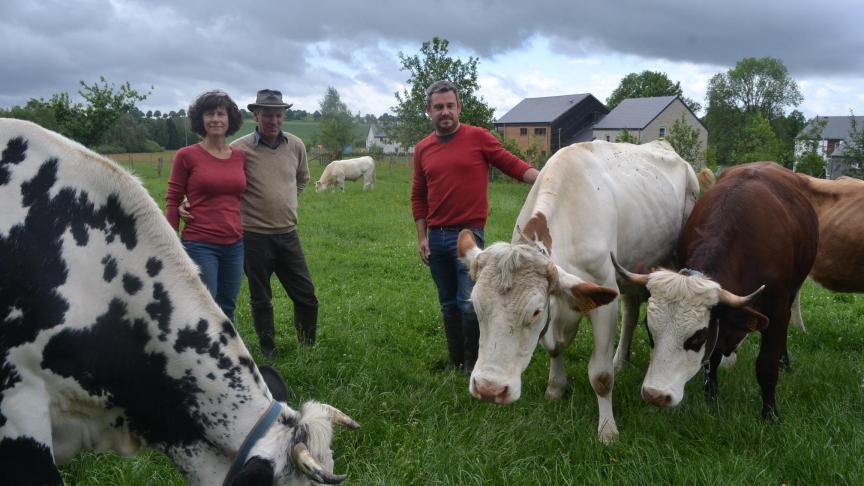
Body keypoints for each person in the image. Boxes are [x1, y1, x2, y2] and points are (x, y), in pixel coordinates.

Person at [411, 80, 539, 374]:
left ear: (459, 107)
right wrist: (422, 237)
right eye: (439, 107)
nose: (445, 112)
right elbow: (418, 195)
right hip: (436, 237)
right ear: (428, 111)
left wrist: (546, 177)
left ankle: (474, 363)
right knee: (447, 304)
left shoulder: (478, 138)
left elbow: (512, 165)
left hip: (468, 236)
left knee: (469, 303)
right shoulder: (422, 149)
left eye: (450, 106)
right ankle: (455, 362)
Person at [184, 89, 319, 357]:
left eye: (278, 115)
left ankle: (307, 346)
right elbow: (216, 182)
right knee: (261, 298)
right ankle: (268, 348)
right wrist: (185, 203)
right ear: (256, 115)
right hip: (253, 236)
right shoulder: (239, 150)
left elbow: (302, 178)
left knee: (306, 294)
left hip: (288, 233)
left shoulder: (295, 145)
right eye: (267, 115)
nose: (273, 120)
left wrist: (287, 200)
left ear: (284, 116)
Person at [166, 90, 246, 322]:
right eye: (209, 113)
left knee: (228, 306)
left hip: (235, 244)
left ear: (229, 119)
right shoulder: (187, 156)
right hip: (201, 244)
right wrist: (172, 243)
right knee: (205, 306)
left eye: (220, 113)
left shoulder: (240, 157)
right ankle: (199, 353)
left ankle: (224, 355)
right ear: (200, 119)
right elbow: (172, 200)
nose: (215, 119)